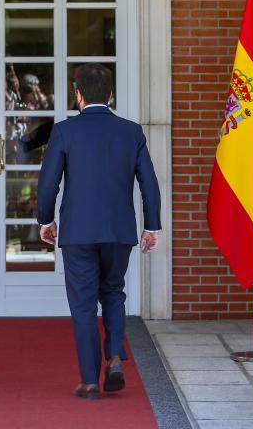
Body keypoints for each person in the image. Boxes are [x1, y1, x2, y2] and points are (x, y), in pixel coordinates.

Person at [36, 63, 162, 400]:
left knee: (83, 306)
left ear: (78, 94)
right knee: (114, 292)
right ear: (110, 95)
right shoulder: (131, 131)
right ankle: (116, 356)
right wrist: (151, 225)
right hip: (119, 230)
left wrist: (45, 221)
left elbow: (47, 184)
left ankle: (90, 381)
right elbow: (149, 182)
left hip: (77, 231)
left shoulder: (64, 131)